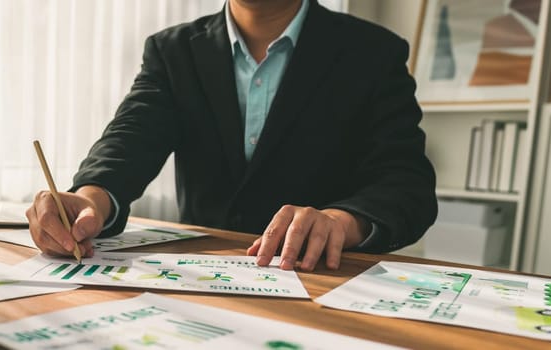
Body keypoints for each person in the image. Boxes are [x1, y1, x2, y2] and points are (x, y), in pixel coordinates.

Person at [26, 0, 437, 272]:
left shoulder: (372, 51)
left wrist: (338, 222)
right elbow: (129, 142)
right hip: (202, 284)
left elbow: (407, 184)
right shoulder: (174, 51)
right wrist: (88, 201)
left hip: (322, 282)